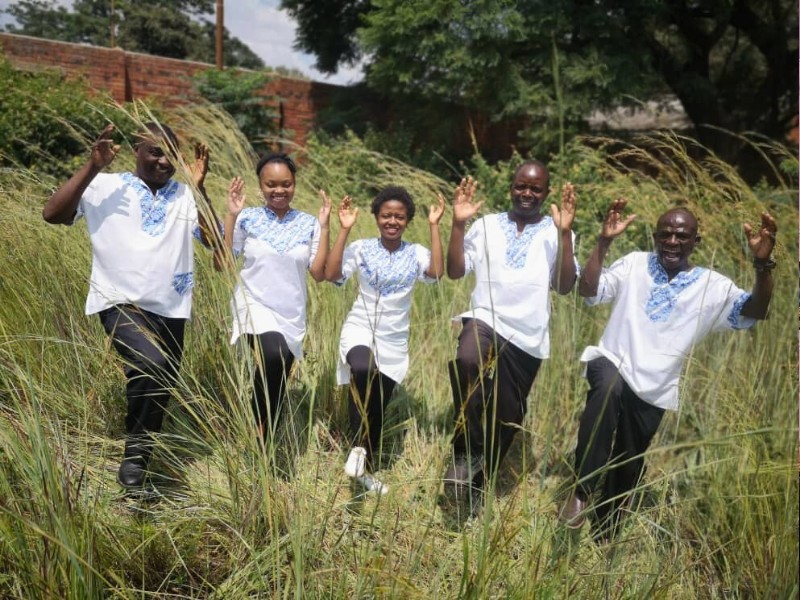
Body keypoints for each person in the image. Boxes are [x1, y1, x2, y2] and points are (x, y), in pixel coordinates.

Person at [559, 201, 777, 539]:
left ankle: (606, 532)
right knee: (607, 390)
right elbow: (589, 290)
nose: (672, 241)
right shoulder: (634, 263)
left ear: (695, 241)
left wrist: (762, 265)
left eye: (681, 236)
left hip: (656, 385)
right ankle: (581, 490)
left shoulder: (711, 286)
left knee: (629, 459)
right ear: (656, 237)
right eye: (665, 234)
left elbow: (756, 311)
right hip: (612, 359)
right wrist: (603, 242)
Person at [42, 122, 221, 490]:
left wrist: (199, 188)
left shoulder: (185, 195)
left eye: (171, 154)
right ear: (136, 150)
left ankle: (142, 467)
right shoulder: (105, 185)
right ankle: (135, 459)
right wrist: (92, 166)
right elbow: (53, 214)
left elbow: (216, 241)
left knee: (162, 383)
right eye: (155, 152)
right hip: (119, 301)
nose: (164, 161)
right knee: (152, 363)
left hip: (171, 307)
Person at [444, 161, 578, 501]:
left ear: (546, 193)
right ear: (511, 187)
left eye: (535, 188)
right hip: (485, 317)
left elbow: (564, 286)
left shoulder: (557, 232)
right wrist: (458, 224)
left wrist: (565, 234)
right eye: (521, 185)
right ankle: (466, 451)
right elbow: (456, 271)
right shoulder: (486, 225)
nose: (527, 193)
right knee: (468, 360)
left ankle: (483, 479)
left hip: (527, 335)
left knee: (508, 414)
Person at [325, 186, 445, 494]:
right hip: (360, 327)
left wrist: (434, 226)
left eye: (400, 217)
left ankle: (364, 469)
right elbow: (332, 274)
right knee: (362, 369)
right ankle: (357, 450)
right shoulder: (361, 248)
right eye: (386, 216)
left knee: (377, 406)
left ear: (408, 220)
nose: (392, 221)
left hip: (394, 339)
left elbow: (436, 272)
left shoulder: (416, 253)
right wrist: (343, 230)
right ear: (377, 217)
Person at [215, 154, 332, 441]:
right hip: (253, 304)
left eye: (286, 184)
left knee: (277, 376)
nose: (279, 190)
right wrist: (231, 215)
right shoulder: (247, 218)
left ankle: (262, 442)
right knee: (274, 354)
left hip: (291, 314)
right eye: (271, 184)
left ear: (294, 184)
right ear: (260, 185)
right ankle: (257, 432)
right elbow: (222, 263)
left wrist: (326, 227)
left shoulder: (309, 223)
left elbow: (318, 273)